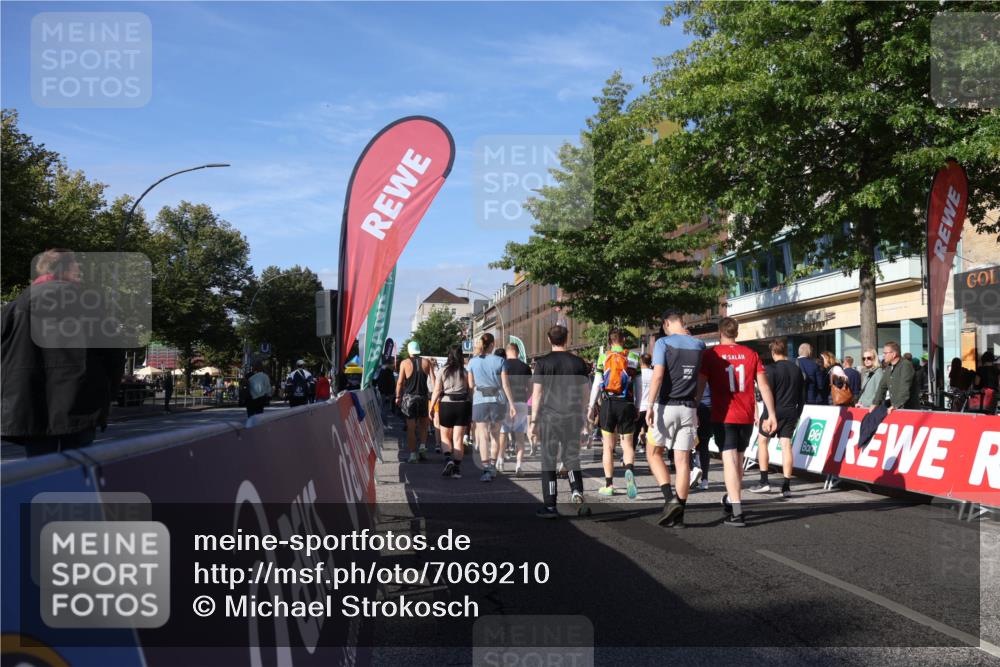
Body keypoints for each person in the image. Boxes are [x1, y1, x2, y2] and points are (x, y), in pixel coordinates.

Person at [0, 249, 124, 458]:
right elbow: (114, 355)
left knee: (39, 472)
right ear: (63, 269)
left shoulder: (12, 309)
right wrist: (109, 395)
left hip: (30, 401)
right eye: (76, 267)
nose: (80, 272)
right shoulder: (91, 306)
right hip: (81, 402)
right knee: (78, 473)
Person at [700, 317, 778, 528]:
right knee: (739, 459)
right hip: (745, 414)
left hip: (723, 414)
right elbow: (764, 386)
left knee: (729, 460)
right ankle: (731, 498)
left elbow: (700, 385)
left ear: (720, 332)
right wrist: (771, 414)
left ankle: (737, 510)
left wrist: (693, 408)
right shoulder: (751, 354)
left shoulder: (711, 354)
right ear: (737, 332)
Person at [643, 310, 707, 527]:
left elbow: (658, 375)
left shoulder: (663, 343)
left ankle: (670, 499)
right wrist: (696, 402)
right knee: (683, 462)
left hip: (666, 405)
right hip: (689, 407)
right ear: (683, 321)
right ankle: (679, 516)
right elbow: (700, 379)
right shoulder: (699, 345)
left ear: (667, 324)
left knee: (653, 453)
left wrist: (649, 405)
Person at [530, 325, 592, 519]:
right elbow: (585, 394)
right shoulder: (579, 363)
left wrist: (533, 421)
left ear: (549, 340)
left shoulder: (542, 363)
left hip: (550, 418)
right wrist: (583, 416)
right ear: (567, 338)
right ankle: (577, 492)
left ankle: (550, 507)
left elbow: (537, 394)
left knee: (549, 460)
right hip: (572, 417)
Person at [588, 329, 640, 499]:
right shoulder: (633, 358)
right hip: (626, 404)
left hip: (609, 404)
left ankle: (609, 485)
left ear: (610, 342)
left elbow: (597, 384)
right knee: (627, 444)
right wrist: (638, 406)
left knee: (608, 447)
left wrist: (591, 406)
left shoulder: (604, 357)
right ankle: (629, 471)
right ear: (624, 340)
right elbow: (638, 386)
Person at [751, 338, 803, 497]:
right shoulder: (797, 369)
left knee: (762, 442)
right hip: (791, 411)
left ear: (773, 352)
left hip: (773, 410)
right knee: (786, 446)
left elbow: (768, 393)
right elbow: (802, 397)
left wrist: (766, 414)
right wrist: (798, 414)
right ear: (785, 352)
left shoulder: (771, 369)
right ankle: (786, 486)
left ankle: (764, 481)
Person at [468, 333, 507, 481]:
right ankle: (492, 466)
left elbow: (471, 385)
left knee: (483, 436)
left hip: (480, 401)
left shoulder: (472, 362)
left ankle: (485, 470)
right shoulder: (500, 361)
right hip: (497, 400)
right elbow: (505, 384)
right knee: (495, 435)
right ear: (492, 345)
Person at [430, 345, 471, 479]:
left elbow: (436, 390)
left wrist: (431, 407)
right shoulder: (464, 372)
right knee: (458, 439)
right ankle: (457, 470)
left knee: (445, 437)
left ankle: (448, 460)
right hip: (462, 405)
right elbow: (471, 391)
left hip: (446, 404)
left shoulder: (442, 371)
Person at [396, 341, 435, 463]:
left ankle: (413, 455)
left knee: (411, 428)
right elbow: (433, 380)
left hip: (409, 398)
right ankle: (422, 447)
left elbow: (400, 382)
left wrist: (398, 396)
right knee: (424, 426)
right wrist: (434, 396)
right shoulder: (426, 362)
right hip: (423, 397)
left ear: (409, 351)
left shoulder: (404, 363)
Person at [500, 343, 532, 477]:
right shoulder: (525, 367)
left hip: (506, 403)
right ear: (517, 352)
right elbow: (530, 388)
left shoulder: (503, 365)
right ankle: (519, 465)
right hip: (521, 403)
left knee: (503, 433)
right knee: (520, 436)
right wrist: (525, 397)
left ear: (508, 352)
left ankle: (500, 460)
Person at [867, 341, 919, 411]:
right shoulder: (889, 367)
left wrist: (896, 405)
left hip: (908, 409)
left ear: (894, 354)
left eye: (885, 353)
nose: (883, 355)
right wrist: (875, 403)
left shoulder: (905, 365)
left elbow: (904, 387)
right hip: (896, 408)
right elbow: (882, 387)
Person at [634, 353, 653, 456]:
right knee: (651, 435)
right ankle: (651, 459)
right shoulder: (655, 373)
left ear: (640, 362)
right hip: (652, 408)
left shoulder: (638, 374)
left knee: (635, 433)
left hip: (639, 407)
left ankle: (629, 458)